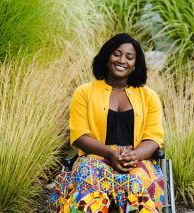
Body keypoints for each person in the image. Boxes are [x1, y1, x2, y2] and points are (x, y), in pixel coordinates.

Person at [51, 33, 165, 213]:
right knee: (88, 179)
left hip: (135, 159)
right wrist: (110, 153)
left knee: (135, 183)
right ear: (106, 57)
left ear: (135, 64)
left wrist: (134, 156)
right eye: (117, 54)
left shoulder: (149, 97)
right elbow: (80, 135)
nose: (122, 60)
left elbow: (153, 138)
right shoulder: (84, 93)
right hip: (95, 157)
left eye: (129, 57)